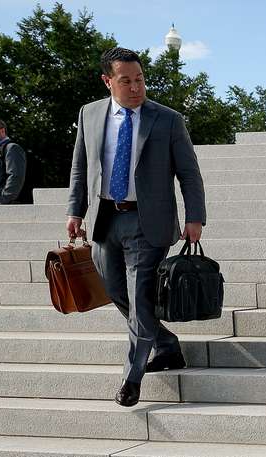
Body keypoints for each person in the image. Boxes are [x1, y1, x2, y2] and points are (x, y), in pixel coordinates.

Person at [66, 47, 206, 407]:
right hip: (105, 219)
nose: (135, 87)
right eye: (125, 80)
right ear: (107, 80)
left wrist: (195, 217)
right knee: (117, 293)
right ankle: (167, 345)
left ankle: (131, 378)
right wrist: (75, 211)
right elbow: (81, 168)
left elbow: (189, 172)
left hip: (149, 221)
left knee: (141, 299)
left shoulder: (167, 119)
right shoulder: (90, 114)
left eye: (140, 79)